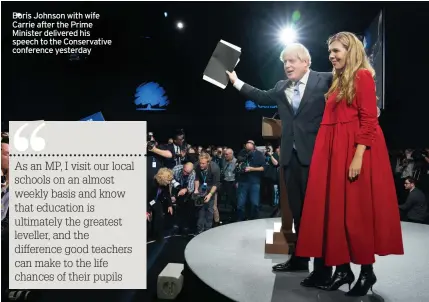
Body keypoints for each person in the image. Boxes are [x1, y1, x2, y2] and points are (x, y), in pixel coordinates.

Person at [295, 32, 404, 296]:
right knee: (334, 212)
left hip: (355, 151)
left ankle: (367, 273)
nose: (332, 56)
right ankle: (343, 270)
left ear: (351, 50)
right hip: (333, 151)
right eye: (330, 52)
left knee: (356, 214)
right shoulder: (338, 80)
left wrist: (358, 155)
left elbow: (369, 120)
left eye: (336, 51)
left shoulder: (362, 77)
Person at [227, 43, 332, 273]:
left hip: (316, 159)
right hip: (289, 160)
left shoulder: (326, 79)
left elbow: (350, 86)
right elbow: (259, 94)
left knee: (318, 214)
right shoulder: (281, 86)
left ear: (307, 62)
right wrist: (235, 81)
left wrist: (371, 103)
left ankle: (323, 268)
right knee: (296, 212)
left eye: (292, 60)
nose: (287, 65)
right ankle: (300, 260)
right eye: (285, 62)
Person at [147, 168, 174, 242]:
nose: (169, 183)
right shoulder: (151, 183)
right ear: (163, 178)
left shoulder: (165, 184)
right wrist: (147, 210)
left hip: (155, 200)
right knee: (148, 219)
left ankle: (157, 236)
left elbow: (167, 193)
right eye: (168, 180)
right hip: (147, 200)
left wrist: (170, 205)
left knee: (159, 216)